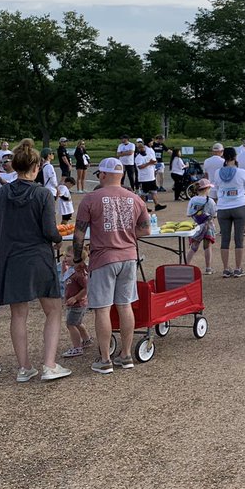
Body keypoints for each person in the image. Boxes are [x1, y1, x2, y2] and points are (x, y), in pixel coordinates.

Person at [0, 142, 71, 382]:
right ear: (35, 167)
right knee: (53, 310)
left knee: (18, 314)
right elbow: (49, 230)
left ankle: (24, 367)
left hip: (10, 258)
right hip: (37, 256)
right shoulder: (42, 193)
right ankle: (49, 364)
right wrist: (58, 239)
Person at [73, 157, 150, 372]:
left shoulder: (91, 199)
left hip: (103, 258)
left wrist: (78, 259)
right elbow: (145, 230)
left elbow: (78, 234)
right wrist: (124, 233)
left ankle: (105, 358)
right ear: (123, 175)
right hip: (128, 256)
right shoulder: (135, 198)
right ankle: (126, 354)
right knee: (125, 306)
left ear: (104, 175)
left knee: (102, 309)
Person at [213, 147, 245, 277]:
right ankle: (238, 268)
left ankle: (225, 268)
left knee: (225, 239)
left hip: (223, 207)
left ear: (223, 157)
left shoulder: (218, 172)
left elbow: (216, 188)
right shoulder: (241, 172)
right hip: (239, 206)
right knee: (238, 238)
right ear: (235, 157)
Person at [60, 245, 92, 358]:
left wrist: (75, 298)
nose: (65, 258)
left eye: (68, 256)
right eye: (65, 256)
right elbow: (64, 276)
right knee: (77, 323)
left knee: (71, 324)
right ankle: (87, 340)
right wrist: (65, 265)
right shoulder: (72, 271)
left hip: (78, 304)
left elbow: (87, 288)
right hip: (75, 304)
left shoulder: (80, 274)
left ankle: (77, 347)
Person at [185, 179, 217, 274]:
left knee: (193, 247)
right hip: (208, 225)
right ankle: (208, 268)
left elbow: (189, 214)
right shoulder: (210, 201)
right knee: (207, 246)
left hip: (197, 226)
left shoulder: (192, 200)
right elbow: (214, 214)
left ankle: (185, 265)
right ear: (206, 189)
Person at [134, 141, 165, 212]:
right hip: (144, 178)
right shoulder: (138, 158)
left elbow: (154, 161)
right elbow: (140, 167)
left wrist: (154, 163)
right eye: (141, 148)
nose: (143, 149)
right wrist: (149, 163)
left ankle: (157, 205)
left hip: (151, 177)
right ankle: (144, 207)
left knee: (154, 191)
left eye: (143, 148)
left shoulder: (148, 155)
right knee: (144, 193)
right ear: (138, 149)